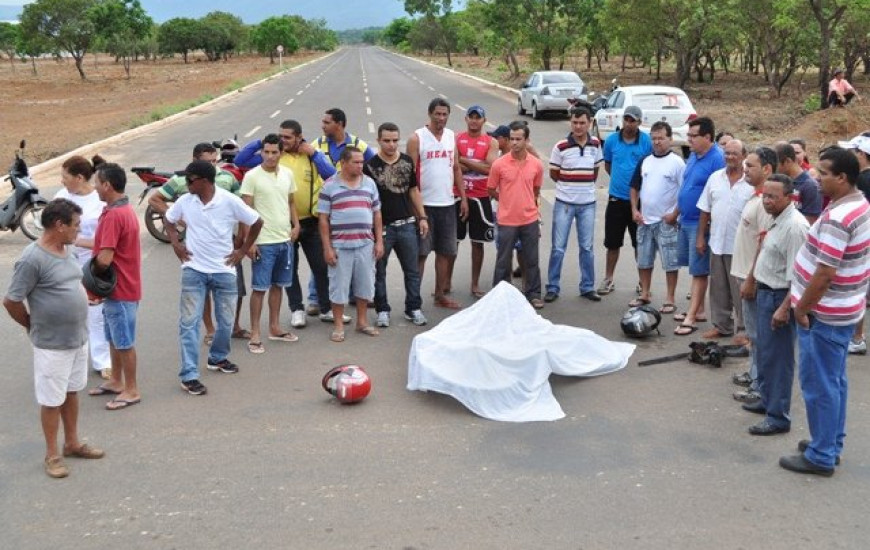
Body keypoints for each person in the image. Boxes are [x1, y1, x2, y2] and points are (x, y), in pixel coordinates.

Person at [780, 147, 870, 476]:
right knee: (834, 381)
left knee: (820, 385)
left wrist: (802, 308)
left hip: (825, 314)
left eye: (824, 174)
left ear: (842, 178)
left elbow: (825, 273)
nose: (816, 178)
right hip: (842, 310)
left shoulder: (838, 218)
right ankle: (830, 441)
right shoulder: (858, 204)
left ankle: (821, 454)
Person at [4, 199, 105, 478]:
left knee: (71, 392)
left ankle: (72, 443)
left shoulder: (66, 249)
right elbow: (11, 300)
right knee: (51, 400)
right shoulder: (32, 259)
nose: (79, 230)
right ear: (59, 225)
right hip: (52, 344)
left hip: (77, 338)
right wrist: (31, 325)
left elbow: (70, 284)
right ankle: (52, 455)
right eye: (75, 225)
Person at [165, 161, 263, 396]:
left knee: (226, 322)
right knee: (189, 323)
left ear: (205, 181)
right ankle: (189, 375)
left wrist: (242, 251)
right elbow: (168, 220)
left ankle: (217, 357)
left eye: (190, 180)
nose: (186, 184)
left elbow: (257, 221)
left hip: (224, 270)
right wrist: (176, 244)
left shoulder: (229, 200)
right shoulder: (185, 201)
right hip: (193, 270)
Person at [236, 120, 344, 329]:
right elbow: (241, 160)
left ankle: (326, 307)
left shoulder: (309, 155)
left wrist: (314, 154)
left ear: (299, 137)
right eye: (280, 136)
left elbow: (330, 174)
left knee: (321, 267)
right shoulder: (275, 155)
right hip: (282, 227)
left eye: (287, 137)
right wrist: (262, 141)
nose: (283, 140)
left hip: (310, 222)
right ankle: (297, 309)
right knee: (289, 270)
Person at [148, 142, 250, 341]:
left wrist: (242, 239)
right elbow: (155, 199)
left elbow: (244, 208)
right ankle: (210, 330)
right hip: (197, 244)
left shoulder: (227, 177)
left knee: (235, 286)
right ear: (195, 161)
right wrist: (176, 218)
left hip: (226, 242)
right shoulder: (181, 180)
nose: (212, 165)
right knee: (203, 288)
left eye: (214, 161)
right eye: (207, 162)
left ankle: (234, 326)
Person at [745, 174, 809, 436]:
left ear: (789, 197)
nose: (767, 201)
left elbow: (800, 276)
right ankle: (767, 400)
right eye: (765, 195)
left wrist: (784, 308)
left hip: (779, 297)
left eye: (773, 197)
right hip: (765, 293)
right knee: (765, 354)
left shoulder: (795, 227)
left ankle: (778, 416)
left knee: (779, 359)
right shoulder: (777, 219)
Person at [240, 133, 301, 354]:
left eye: (274, 152)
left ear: (281, 153)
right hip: (263, 242)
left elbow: (291, 202)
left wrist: (296, 225)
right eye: (266, 152)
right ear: (261, 152)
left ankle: (274, 327)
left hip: (284, 240)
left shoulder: (287, 174)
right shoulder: (252, 177)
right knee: (259, 288)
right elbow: (245, 212)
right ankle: (255, 333)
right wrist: (249, 242)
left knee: (278, 285)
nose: (270, 156)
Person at [89, 163, 142, 411]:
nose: (95, 188)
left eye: (97, 183)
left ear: (107, 185)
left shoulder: (113, 216)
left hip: (119, 290)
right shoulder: (123, 210)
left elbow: (105, 258)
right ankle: (116, 381)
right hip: (124, 287)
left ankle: (131, 389)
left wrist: (89, 280)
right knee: (114, 338)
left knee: (123, 341)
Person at [364, 122, 428, 328]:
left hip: (407, 225)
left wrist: (422, 217)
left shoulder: (407, 161)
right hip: (382, 229)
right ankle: (382, 310)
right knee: (379, 272)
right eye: (387, 141)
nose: (391, 145)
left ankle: (413, 308)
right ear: (378, 141)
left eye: (395, 140)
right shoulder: (370, 166)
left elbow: (413, 191)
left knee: (412, 270)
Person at [54, 155, 111, 380]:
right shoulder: (61, 198)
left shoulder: (100, 201)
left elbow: (107, 239)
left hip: (94, 266)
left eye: (65, 177)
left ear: (79, 178)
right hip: (65, 265)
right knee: (68, 314)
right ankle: (68, 361)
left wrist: (77, 241)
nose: (62, 181)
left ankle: (102, 361)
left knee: (96, 315)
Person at [319, 147, 384, 342]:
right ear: (343, 163)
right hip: (340, 245)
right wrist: (327, 248)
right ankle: (338, 326)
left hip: (365, 244)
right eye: (356, 162)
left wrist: (379, 241)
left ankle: (362, 322)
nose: (360, 165)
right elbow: (323, 219)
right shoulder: (329, 186)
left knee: (365, 284)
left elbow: (377, 213)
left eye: (361, 162)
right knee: (338, 287)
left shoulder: (369, 183)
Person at [407, 97, 467, 310]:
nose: (441, 118)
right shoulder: (417, 138)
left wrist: (463, 198)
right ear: (430, 114)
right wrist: (415, 208)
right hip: (424, 206)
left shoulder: (451, 137)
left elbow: (456, 168)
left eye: (445, 114)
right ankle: (413, 301)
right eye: (437, 114)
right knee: (421, 254)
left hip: (447, 204)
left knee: (445, 252)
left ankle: (440, 295)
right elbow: (410, 176)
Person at [672, 117, 726, 335]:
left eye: (693, 136)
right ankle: (700, 309)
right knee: (693, 268)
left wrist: (706, 229)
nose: (689, 139)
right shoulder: (694, 155)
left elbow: (719, 193)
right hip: (685, 219)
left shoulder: (718, 159)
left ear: (707, 137)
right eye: (688, 135)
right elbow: (687, 185)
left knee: (700, 270)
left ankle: (692, 316)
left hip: (700, 223)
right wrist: (676, 213)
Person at [695, 139, 753, 341]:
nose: (730, 157)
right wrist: (700, 237)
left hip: (741, 247)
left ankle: (744, 330)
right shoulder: (715, 178)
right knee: (718, 288)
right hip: (717, 243)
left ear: (744, 155)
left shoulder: (751, 182)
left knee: (740, 290)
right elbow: (705, 209)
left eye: (734, 153)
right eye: (726, 153)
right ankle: (722, 326)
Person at [731, 148, 776, 405]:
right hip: (745, 274)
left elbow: (764, 244)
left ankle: (760, 386)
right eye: (745, 165)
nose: (745, 169)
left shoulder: (764, 203)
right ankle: (754, 374)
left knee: (759, 336)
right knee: (753, 334)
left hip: (753, 278)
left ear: (767, 169)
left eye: (751, 166)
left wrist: (751, 279)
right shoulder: (755, 196)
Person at [545, 105, 603, 303]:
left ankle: (587, 287)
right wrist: (569, 187)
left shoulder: (596, 144)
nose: (578, 126)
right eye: (575, 122)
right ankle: (553, 287)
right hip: (564, 204)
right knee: (558, 248)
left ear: (590, 123)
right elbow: (554, 173)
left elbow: (595, 171)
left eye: (582, 123)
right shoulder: (561, 146)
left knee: (587, 248)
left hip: (588, 204)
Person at [630, 122, 686, 314]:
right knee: (643, 260)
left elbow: (684, 192)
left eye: (661, 138)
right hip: (645, 221)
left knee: (670, 262)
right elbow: (634, 187)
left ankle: (670, 298)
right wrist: (634, 210)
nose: (657, 142)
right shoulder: (645, 161)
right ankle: (645, 293)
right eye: (653, 138)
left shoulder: (677, 163)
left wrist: (675, 214)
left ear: (670, 139)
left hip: (666, 222)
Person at [488, 121, 545, 307]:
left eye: (518, 139)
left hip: (529, 219)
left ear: (526, 140)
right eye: (511, 139)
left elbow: (536, 189)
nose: (514, 143)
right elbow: (491, 189)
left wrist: (526, 203)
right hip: (506, 220)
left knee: (531, 259)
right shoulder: (499, 164)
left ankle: (533, 294)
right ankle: (500, 296)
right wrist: (506, 200)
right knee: (503, 261)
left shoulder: (536, 164)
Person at [599, 106, 652, 297]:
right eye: (626, 120)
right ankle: (608, 278)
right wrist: (621, 181)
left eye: (633, 121)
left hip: (639, 202)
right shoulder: (612, 140)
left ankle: (643, 282)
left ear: (639, 122)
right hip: (616, 199)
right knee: (612, 243)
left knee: (640, 244)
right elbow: (608, 165)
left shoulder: (646, 141)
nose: (629, 124)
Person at [453, 105, 498, 298]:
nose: (474, 120)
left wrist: (463, 160)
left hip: (481, 196)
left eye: (477, 117)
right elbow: (453, 166)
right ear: (466, 119)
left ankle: (475, 284)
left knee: (478, 242)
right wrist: (476, 164)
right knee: (453, 242)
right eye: (470, 117)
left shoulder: (491, 142)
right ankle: (445, 283)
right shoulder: (456, 138)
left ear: (483, 120)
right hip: (457, 194)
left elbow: (489, 169)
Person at [839, 133, 870, 354]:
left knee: (857, 288)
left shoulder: (862, 181)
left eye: (854, 152)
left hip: (862, 242)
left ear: (862, 154)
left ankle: (857, 337)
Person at [775, 141, 823, 225]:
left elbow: (810, 221)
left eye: (776, 164)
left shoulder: (810, 185)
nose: (774, 168)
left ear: (787, 161)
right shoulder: (781, 181)